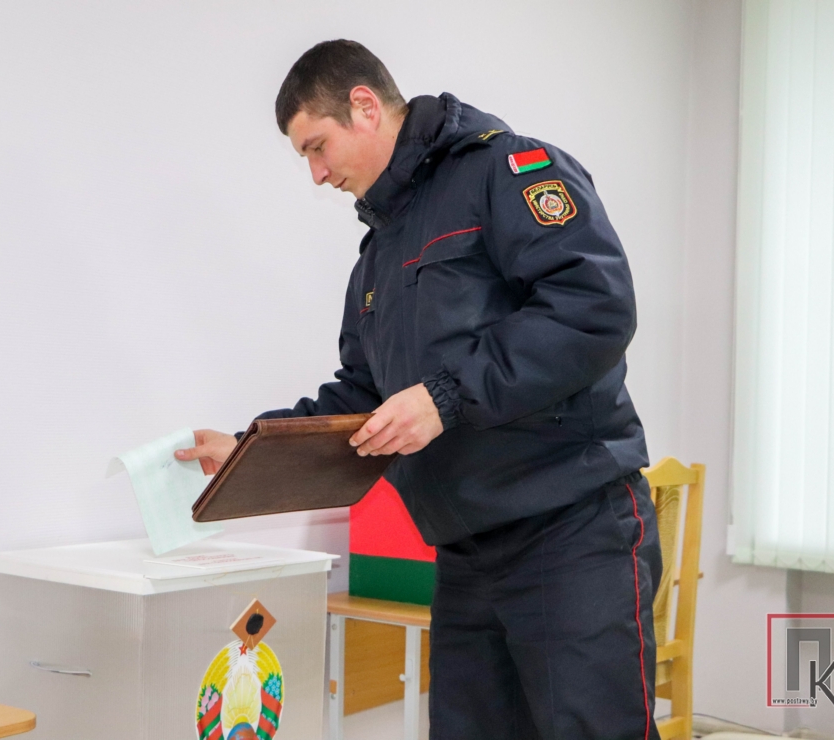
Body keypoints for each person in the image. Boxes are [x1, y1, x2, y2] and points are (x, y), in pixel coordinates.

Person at [176, 39, 662, 740]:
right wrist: (250, 451)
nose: (316, 174)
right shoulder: (380, 250)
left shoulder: (508, 171)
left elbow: (595, 308)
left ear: (364, 107)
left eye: (317, 147)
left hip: (569, 530)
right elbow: (363, 396)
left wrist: (444, 396)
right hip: (466, 551)